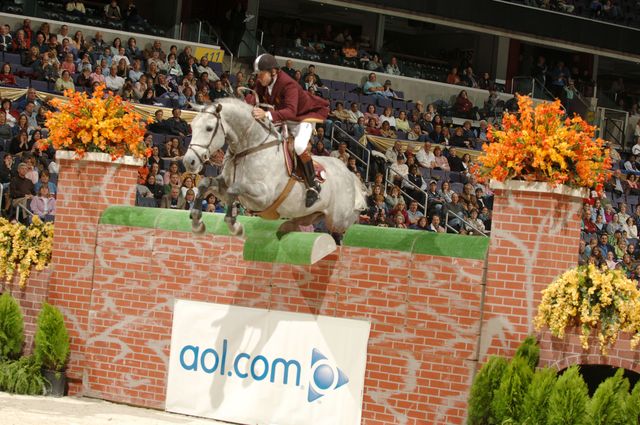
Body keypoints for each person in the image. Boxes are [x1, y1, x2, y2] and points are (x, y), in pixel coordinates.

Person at [251, 53, 329, 207]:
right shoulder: (264, 82)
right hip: (284, 118)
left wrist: (266, 114)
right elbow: (254, 97)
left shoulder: (289, 84)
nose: (258, 78)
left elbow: (291, 112)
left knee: (299, 146)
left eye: (261, 75)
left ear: (273, 72)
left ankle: (313, 185)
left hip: (303, 118)